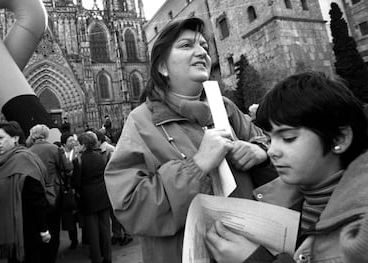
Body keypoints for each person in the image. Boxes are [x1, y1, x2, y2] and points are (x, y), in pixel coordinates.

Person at [104, 17, 274, 263]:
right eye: (186, 45)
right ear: (162, 66)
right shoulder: (141, 122)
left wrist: (260, 151)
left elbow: (271, 144)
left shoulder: (224, 107)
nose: (201, 52)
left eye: (204, 45)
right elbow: (130, 207)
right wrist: (197, 167)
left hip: (252, 250)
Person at [205, 71, 368, 263]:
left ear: (340, 138)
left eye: (288, 138)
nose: (273, 150)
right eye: (268, 139)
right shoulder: (282, 203)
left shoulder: (361, 232)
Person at [0, 121, 51, 263]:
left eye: (1, 138)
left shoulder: (24, 159)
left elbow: (37, 198)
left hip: (27, 229)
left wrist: (44, 229)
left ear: (15, 138)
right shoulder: (1, 162)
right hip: (11, 229)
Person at [28, 124, 72, 263]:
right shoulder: (54, 149)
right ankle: (51, 257)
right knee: (54, 227)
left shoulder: (27, 151)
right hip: (53, 194)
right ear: (46, 135)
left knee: (40, 226)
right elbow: (68, 168)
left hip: (34, 195)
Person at [73, 132, 112, 263]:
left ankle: (96, 258)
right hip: (102, 195)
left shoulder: (78, 160)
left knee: (93, 231)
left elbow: (76, 183)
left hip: (88, 198)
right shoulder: (100, 156)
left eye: (78, 143)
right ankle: (108, 257)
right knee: (106, 228)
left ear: (83, 145)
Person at [60, 131, 80, 249]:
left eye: (73, 140)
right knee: (69, 216)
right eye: (70, 140)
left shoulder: (77, 152)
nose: (73, 142)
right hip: (66, 188)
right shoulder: (60, 153)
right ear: (64, 143)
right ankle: (73, 239)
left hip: (76, 186)